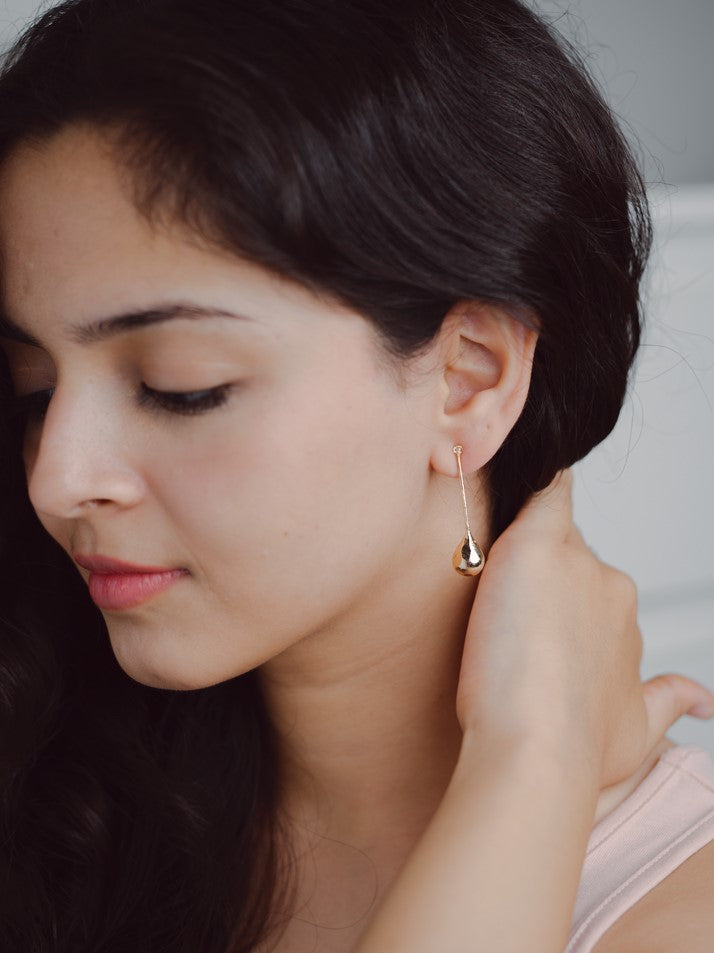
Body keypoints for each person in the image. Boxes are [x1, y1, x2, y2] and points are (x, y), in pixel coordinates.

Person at [0, 1, 712, 951]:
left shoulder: (681, 911)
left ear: (468, 379)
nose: (56, 479)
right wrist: (534, 754)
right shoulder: (56, 794)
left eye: (180, 386)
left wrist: (533, 756)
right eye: (35, 390)